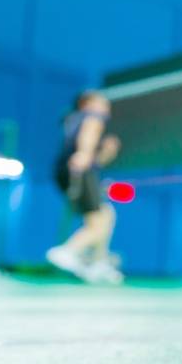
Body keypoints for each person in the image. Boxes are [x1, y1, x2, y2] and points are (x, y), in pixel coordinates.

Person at [46, 91, 123, 283]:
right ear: (86, 104)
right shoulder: (92, 117)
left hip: (72, 170)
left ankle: (98, 262)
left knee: (106, 213)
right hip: (80, 171)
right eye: (102, 104)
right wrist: (84, 153)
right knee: (97, 222)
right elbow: (89, 134)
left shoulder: (72, 120)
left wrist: (106, 151)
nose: (106, 110)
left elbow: (98, 161)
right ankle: (66, 252)